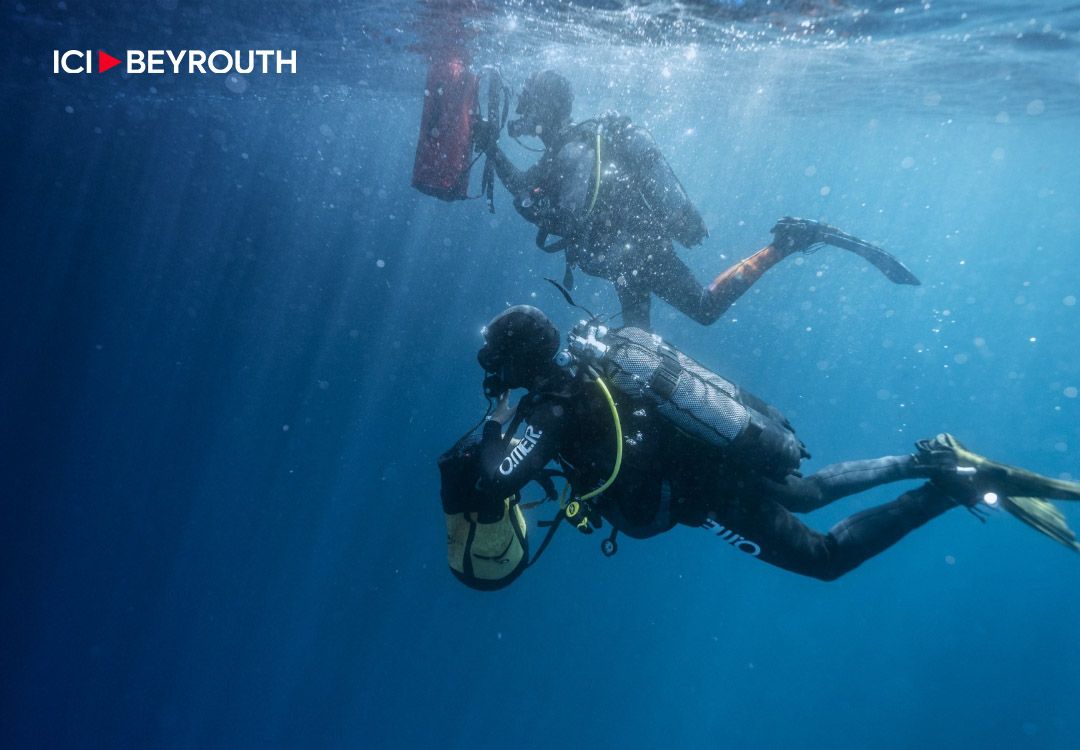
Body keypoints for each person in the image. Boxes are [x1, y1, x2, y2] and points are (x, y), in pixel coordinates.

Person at [438, 305, 1080, 590]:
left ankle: (948, 488)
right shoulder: (590, 366)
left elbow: (498, 482)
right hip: (719, 454)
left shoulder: (549, 405)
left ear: (516, 362)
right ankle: (928, 458)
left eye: (494, 360)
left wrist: (497, 423)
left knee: (823, 558)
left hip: (706, 488)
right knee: (814, 489)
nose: (489, 370)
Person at [473, 70, 919, 329]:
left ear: (546, 110)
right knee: (636, 340)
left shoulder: (571, 150)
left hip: (637, 253)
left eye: (529, 108)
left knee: (702, 310)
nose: (523, 118)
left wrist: (527, 201)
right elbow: (532, 186)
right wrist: (492, 149)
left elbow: (564, 218)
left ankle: (788, 242)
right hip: (625, 256)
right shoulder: (569, 147)